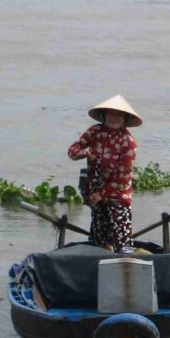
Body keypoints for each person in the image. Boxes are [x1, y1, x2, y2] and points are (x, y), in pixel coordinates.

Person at [68, 95, 141, 252]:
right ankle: (103, 256)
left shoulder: (128, 142)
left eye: (119, 115)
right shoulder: (94, 131)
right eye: (111, 114)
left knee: (121, 236)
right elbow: (72, 151)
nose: (114, 118)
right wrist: (84, 153)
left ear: (125, 119)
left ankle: (125, 264)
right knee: (100, 236)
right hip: (95, 190)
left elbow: (122, 178)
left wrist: (102, 194)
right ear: (104, 115)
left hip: (117, 194)